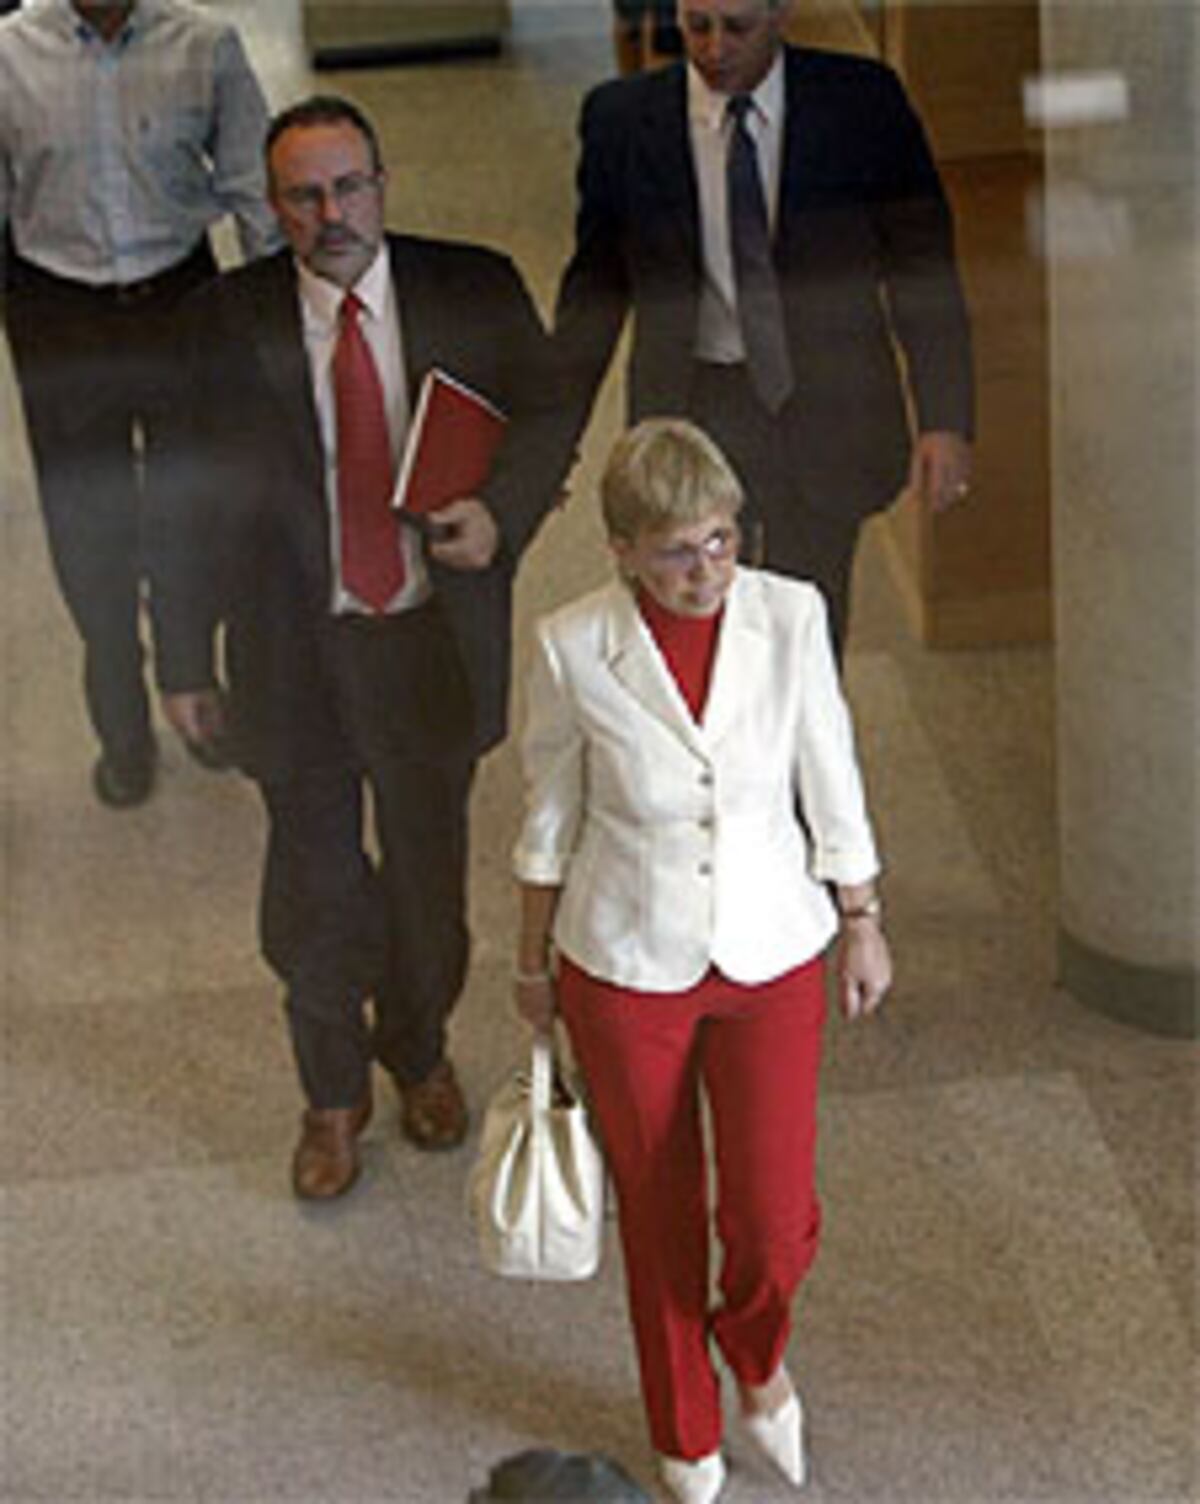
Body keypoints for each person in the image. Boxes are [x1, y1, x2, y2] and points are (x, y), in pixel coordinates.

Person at [146, 96, 571, 1201]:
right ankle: (331, 1097)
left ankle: (418, 1050)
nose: (331, 214)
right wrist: (182, 659)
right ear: (272, 206)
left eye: (349, 187)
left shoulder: (470, 286)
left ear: (382, 183)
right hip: (292, 649)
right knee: (316, 885)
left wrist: (501, 515)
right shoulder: (220, 321)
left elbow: (549, 415)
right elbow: (178, 505)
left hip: (428, 641)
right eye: (304, 195)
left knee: (430, 892)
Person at [511, 419, 891, 1504]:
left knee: (772, 1220)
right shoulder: (571, 642)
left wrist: (860, 914)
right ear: (623, 547)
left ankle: (757, 1357)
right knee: (660, 1205)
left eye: (722, 541)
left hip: (773, 947)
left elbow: (834, 770)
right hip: (626, 961)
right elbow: (548, 815)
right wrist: (532, 963)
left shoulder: (790, 615)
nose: (706, 571)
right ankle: (685, 1430)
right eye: (677, 550)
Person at [555, 0, 974, 657]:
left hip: (827, 407)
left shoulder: (863, 103)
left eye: (738, 28)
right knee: (697, 625)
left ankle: (801, 757)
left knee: (810, 625)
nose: (715, 48)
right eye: (697, 27)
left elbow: (923, 268)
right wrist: (553, 442)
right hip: (696, 404)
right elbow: (595, 294)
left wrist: (945, 417)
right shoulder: (621, 120)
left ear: (781, 14)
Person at [0, 0, 277, 806]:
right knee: (87, 518)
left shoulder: (206, 46)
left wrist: (270, 319)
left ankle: (194, 677)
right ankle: (119, 714)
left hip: (179, 301)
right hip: (59, 313)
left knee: (194, 504)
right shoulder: (9, 53)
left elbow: (254, 190)